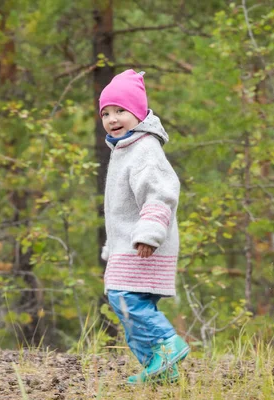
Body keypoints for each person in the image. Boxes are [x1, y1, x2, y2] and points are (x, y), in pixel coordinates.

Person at [99, 69, 189, 384]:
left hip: (145, 246)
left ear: (138, 113)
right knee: (126, 307)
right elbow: (120, 211)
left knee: (126, 300)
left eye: (120, 111)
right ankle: (162, 371)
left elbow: (161, 194)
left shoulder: (144, 150)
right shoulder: (124, 150)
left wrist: (149, 233)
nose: (112, 119)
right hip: (129, 247)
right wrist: (113, 249)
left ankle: (167, 344)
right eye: (106, 113)